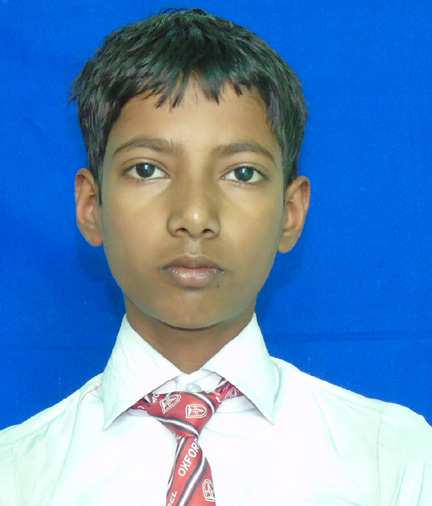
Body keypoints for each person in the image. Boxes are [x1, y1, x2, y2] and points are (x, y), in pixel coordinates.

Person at [0, 8, 431, 505]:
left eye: (242, 173)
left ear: (290, 213)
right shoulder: (18, 477)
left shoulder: (393, 464)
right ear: (91, 206)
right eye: (147, 169)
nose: (195, 215)